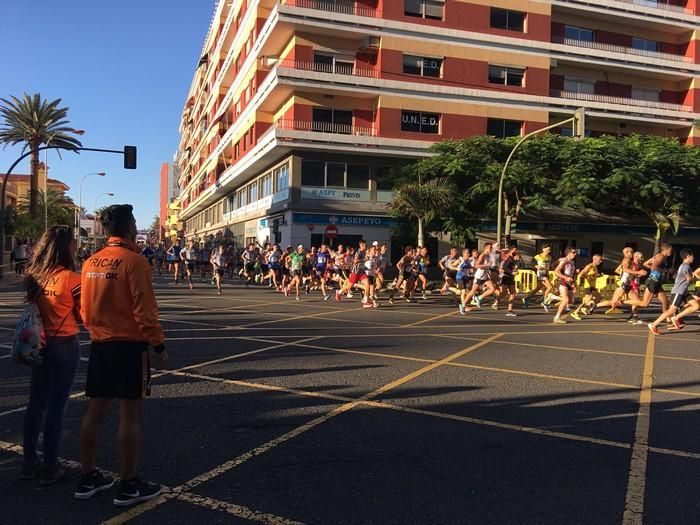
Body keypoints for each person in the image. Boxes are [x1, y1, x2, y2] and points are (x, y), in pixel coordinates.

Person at [76, 204, 167, 506]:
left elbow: (84, 309)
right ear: (129, 228)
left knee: (95, 413)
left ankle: (87, 477)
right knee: (130, 416)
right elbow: (145, 311)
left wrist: (96, 329)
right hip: (129, 347)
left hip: (100, 345)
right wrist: (158, 346)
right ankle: (128, 484)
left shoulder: (90, 262)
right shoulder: (134, 262)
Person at [20, 225, 82, 486]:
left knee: (36, 403)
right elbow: (83, 314)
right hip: (64, 343)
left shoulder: (33, 276)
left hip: (38, 342)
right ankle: (50, 466)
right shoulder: (72, 279)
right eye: (73, 244)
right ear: (65, 248)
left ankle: (29, 462)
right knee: (57, 406)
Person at [648, 249, 694, 335]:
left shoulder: (686, 266)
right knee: (671, 310)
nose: (693, 258)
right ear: (688, 256)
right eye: (692, 256)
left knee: (695, 305)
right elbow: (689, 279)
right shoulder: (685, 266)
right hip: (679, 291)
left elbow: (683, 278)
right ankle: (653, 324)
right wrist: (693, 277)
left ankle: (676, 317)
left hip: (684, 291)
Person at [523, 245, 553, 310]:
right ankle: (544, 302)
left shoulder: (549, 257)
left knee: (538, 288)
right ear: (543, 249)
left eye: (549, 250)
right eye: (548, 249)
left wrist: (548, 272)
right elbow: (531, 262)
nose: (549, 251)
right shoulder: (538, 256)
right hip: (541, 274)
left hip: (546, 273)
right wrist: (536, 266)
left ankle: (526, 298)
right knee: (550, 287)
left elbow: (549, 266)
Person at [552, 247, 577, 324]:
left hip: (569, 282)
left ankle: (553, 297)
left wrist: (575, 275)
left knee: (570, 301)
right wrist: (565, 277)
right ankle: (557, 317)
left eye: (575, 252)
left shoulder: (572, 262)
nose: (575, 254)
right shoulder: (564, 261)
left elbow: (570, 272)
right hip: (562, 281)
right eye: (573, 252)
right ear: (569, 253)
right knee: (565, 299)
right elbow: (556, 271)